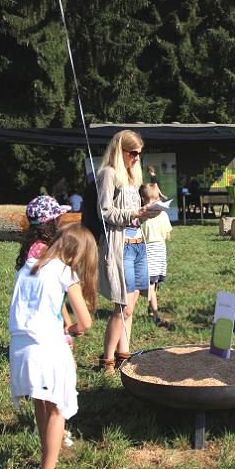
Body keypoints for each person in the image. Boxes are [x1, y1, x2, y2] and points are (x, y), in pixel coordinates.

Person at [8, 223, 98, 469]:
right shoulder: (64, 272)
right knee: (58, 408)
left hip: (20, 348)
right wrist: (70, 330)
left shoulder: (27, 268)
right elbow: (85, 322)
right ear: (78, 253)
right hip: (48, 349)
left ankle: (48, 465)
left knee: (41, 404)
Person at [97, 130, 160, 376]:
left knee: (131, 307)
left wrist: (146, 213)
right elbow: (104, 212)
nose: (136, 159)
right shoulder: (108, 174)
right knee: (121, 306)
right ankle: (108, 360)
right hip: (120, 245)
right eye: (132, 153)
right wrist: (132, 215)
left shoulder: (133, 177)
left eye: (139, 155)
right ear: (119, 150)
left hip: (137, 245)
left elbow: (132, 213)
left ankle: (125, 355)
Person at [140, 183, 173, 329]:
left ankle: (155, 313)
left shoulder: (143, 216)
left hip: (148, 250)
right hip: (160, 250)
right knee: (156, 282)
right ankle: (152, 307)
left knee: (151, 285)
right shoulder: (164, 214)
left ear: (142, 199)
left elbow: (140, 236)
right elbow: (168, 235)